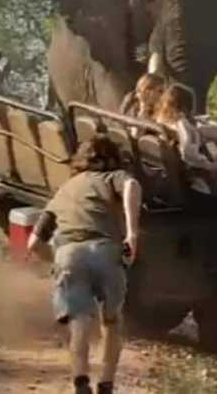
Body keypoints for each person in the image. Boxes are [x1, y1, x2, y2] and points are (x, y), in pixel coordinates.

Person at [26, 136, 143, 394]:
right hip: (105, 252)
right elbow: (132, 185)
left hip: (68, 255)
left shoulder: (64, 190)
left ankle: (81, 383)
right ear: (112, 158)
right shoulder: (113, 177)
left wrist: (56, 259)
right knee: (112, 321)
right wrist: (132, 233)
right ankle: (106, 385)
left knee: (79, 322)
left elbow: (33, 243)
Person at [154, 84, 217, 172]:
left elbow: (204, 132)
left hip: (188, 168)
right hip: (198, 171)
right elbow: (188, 151)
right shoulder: (182, 124)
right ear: (186, 107)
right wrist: (209, 166)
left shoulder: (163, 121)